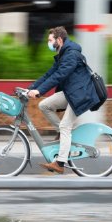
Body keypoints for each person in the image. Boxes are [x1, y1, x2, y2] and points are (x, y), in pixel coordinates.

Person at [27, 26, 100, 174]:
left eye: (50, 40)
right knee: (44, 105)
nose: (48, 43)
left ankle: (60, 163)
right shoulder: (63, 54)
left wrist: (40, 91)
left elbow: (59, 76)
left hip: (80, 95)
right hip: (71, 93)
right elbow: (49, 74)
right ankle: (62, 134)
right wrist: (31, 88)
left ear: (59, 40)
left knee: (65, 125)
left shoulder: (71, 55)